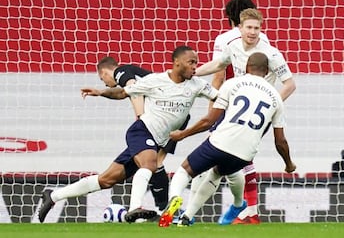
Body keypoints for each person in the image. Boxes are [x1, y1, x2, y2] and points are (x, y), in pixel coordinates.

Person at [38, 46, 218, 223]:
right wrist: (101, 92)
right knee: (150, 164)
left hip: (156, 140)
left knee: (106, 180)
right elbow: (123, 92)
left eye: (196, 62)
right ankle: (134, 208)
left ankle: (53, 195)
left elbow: (220, 98)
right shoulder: (155, 80)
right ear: (176, 63)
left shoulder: (198, 85)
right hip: (141, 131)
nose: (195, 67)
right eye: (191, 62)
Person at [158, 52, 296, 227]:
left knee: (185, 170)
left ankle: (174, 199)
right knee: (216, 173)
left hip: (220, 142)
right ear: (267, 70)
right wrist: (289, 164)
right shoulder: (276, 98)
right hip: (245, 155)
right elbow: (280, 141)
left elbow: (210, 120)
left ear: (246, 68)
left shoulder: (233, 84)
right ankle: (187, 217)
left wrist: (182, 134)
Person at [195, 7, 296, 224]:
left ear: (261, 29)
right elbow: (219, 64)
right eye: (249, 27)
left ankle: (246, 210)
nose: (252, 32)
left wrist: (270, 103)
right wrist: (193, 73)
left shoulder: (270, 53)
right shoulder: (232, 46)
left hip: (257, 112)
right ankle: (247, 210)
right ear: (239, 28)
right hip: (236, 108)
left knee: (236, 155)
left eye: (257, 28)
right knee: (236, 157)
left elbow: (290, 84)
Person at [96, 57, 191, 212]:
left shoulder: (121, 71)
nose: (105, 83)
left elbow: (134, 90)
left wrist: (140, 117)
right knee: (156, 162)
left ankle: (163, 208)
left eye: (102, 79)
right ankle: (165, 208)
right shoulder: (141, 74)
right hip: (178, 114)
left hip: (166, 117)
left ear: (105, 71)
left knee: (154, 163)